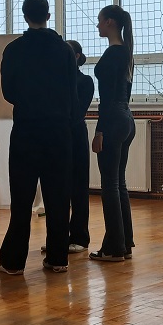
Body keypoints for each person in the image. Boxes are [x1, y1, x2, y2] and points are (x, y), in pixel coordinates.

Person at [0, 0, 79, 274]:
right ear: (48, 15)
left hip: (27, 129)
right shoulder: (65, 50)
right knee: (58, 196)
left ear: (25, 16)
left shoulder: (14, 49)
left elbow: (8, 92)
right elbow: (73, 94)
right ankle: (58, 258)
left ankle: (13, 262)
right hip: (59, 131)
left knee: (22, 197)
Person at [90, 5, 135, 263]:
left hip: (113, 120)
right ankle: (123, 244)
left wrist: (100, 130)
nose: (97, 25)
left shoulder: (113, 53)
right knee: (119, 184)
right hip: (126, 118)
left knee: (109, 186)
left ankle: (114, 248)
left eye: (99, 21)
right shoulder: (126, 52)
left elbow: (107, 99)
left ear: (109, 22)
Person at [64, 39, 95, 252]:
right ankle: (58, 237)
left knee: (78, 188)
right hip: (58, 135)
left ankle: (80, 237)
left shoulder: (85, 81)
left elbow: (77, 111)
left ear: (76, 57)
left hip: (75, 135)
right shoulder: (56, 79)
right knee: (58, 188)